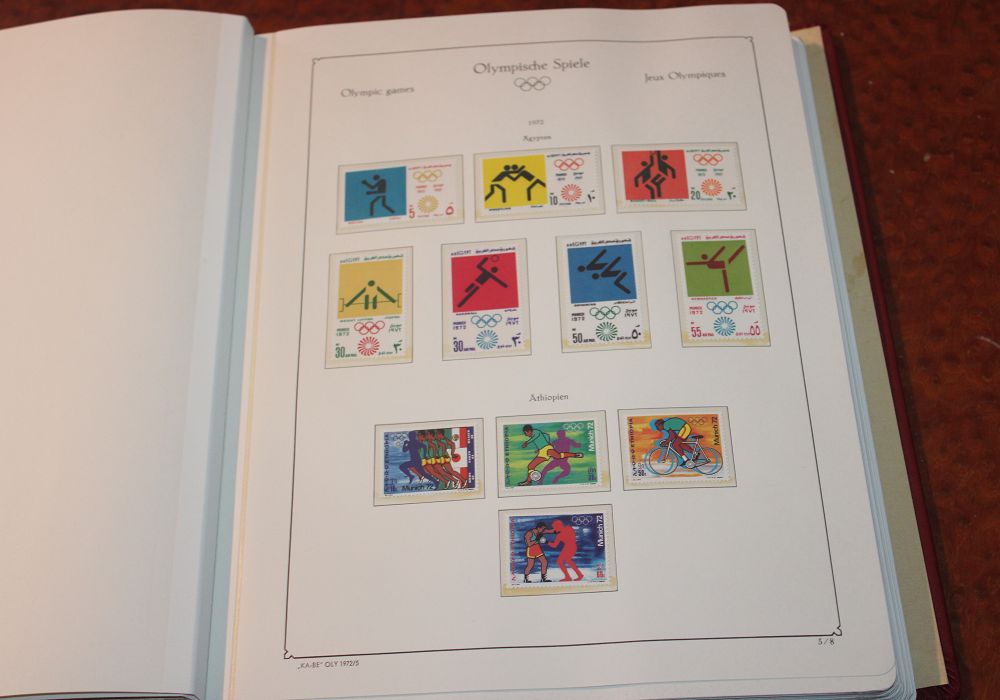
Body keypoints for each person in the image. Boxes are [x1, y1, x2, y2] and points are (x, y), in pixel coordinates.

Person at [516, 424, 583, 486]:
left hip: (547, 449)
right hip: (542, 452)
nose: (525, 435)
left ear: (529, 431)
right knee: (531, 466)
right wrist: (540, 448)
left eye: (525, 433)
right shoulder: (539, 435)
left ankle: (575, 455)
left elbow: (535, 437)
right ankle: (528, 482)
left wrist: (527, 442)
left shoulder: (536, 432)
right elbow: (546, 435)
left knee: (558, 456)